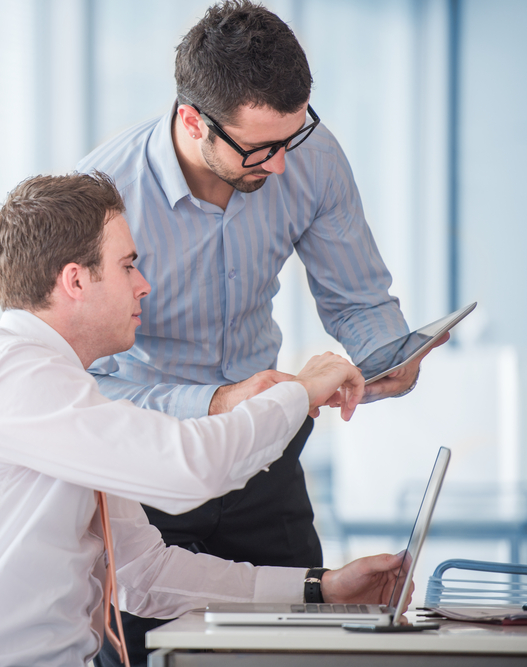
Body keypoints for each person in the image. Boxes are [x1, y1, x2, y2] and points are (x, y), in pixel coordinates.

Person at [0, 172, 408, 667]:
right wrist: (296, 391)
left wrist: (321, 587)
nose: (144, 285)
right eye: (127, 265)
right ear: (75, 281)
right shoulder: (7, 372)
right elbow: (190, 470)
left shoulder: (61, 390)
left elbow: (146, 573)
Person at [75, 4, 445, 664]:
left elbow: (359, 300)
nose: (279, 167)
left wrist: (388, 354)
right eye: (259, 148)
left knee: (305, 646)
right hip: (151, 470)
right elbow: (85, 384)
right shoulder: (102, 197)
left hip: (263, 459)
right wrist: (217, 403)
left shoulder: (309, 156)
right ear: (193, 121)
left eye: (291, 139)